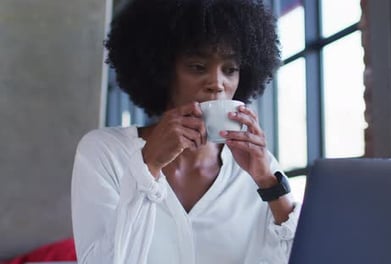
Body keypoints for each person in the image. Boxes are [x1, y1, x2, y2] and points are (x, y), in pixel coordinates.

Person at [71, 0, 300, 263]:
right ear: (163, 71)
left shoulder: (257, 168)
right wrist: (148, 167)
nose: (217, 83)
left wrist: (268, 182)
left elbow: (302, 256)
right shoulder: (105, 152)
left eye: (230, 70)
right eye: (197, 67)